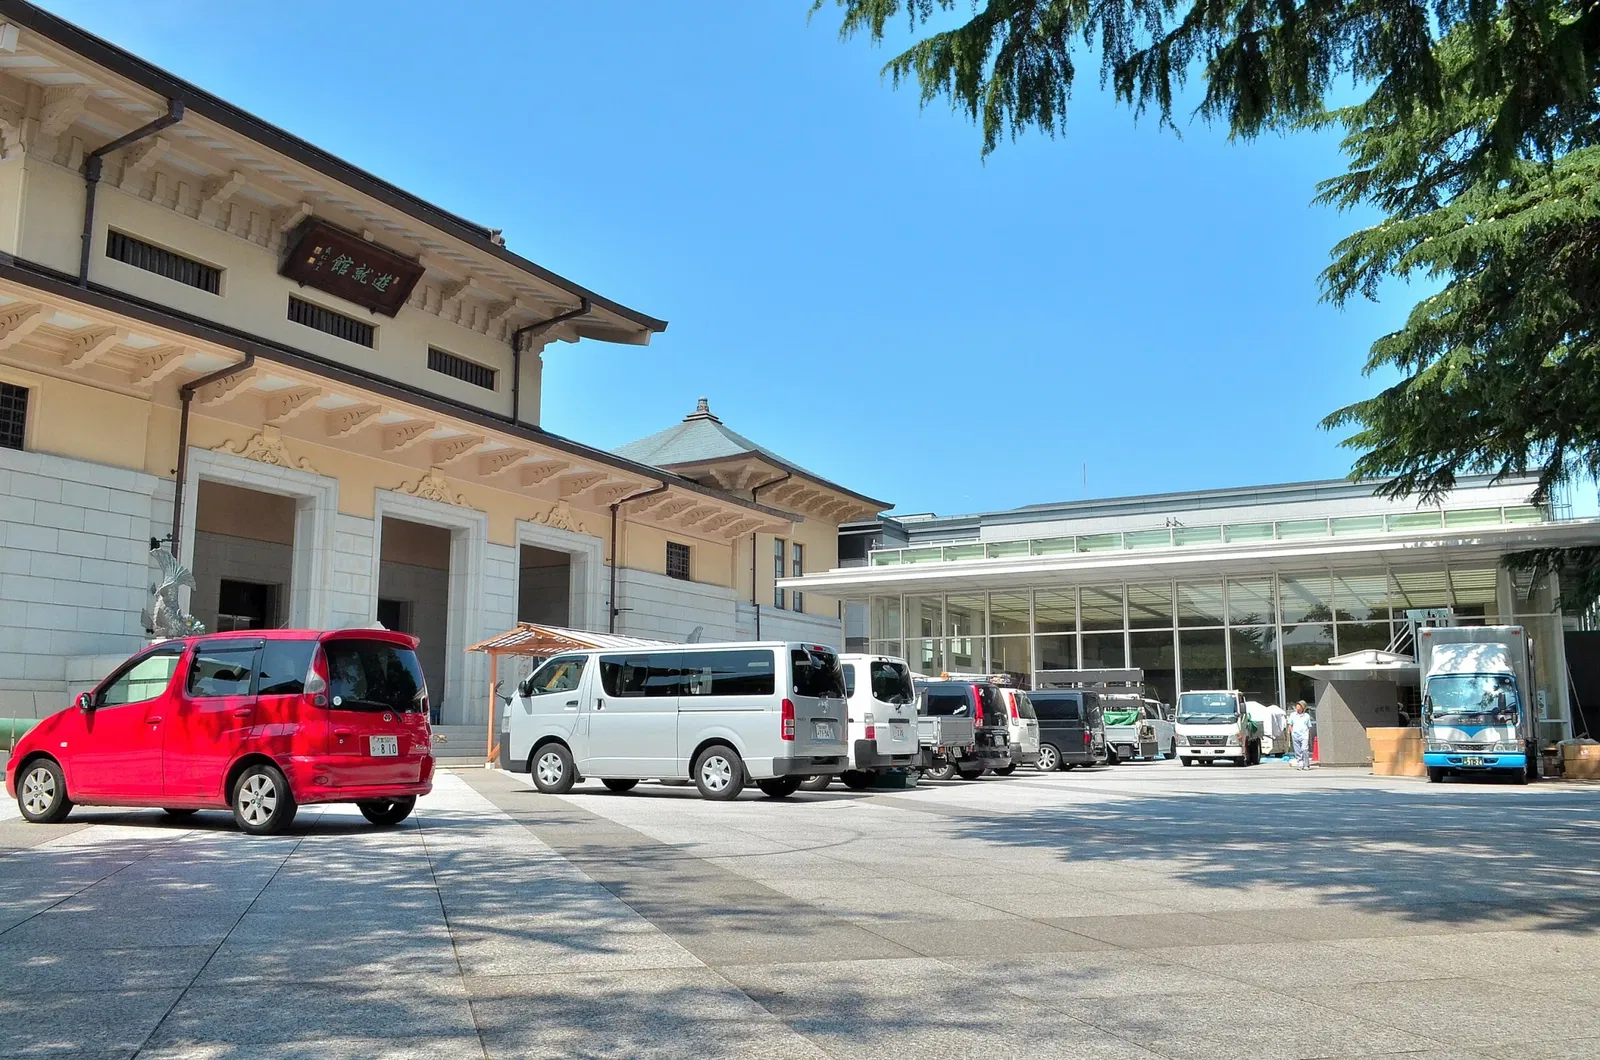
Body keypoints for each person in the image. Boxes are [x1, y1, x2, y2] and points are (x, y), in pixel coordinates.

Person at [1288, 700, 1314, 770]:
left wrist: (1308, 734)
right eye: (1297, 705)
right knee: (1297, 750)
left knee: (1304, 749)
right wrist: (1292, 732)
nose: (1297, 706)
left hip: (1304, 735)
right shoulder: (1292, 715)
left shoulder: (1306, 716)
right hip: (1295, 734)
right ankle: (1300, 763)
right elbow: (1290, 724)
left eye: (1299, 705)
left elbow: (1309, 726)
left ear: (1303, 707)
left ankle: (1306, 764)